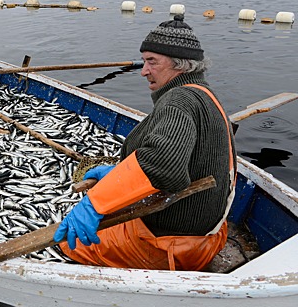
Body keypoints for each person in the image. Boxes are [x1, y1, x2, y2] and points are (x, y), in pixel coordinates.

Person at [54, 14, 237, 271]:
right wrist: (118, 173)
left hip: (172, 244)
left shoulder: (178, 101)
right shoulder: (205, 94)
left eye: (152, 62)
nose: (144, 71)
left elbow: (164, 168)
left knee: (68, 243)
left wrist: (95, 202)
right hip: (209, 234)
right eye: (144, 61)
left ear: (180, 65)